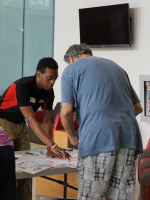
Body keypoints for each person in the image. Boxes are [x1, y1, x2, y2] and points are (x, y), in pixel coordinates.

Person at [60, 44, 143, 200]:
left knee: (91, 195)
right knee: (120, 195)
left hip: (97, 138)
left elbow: (65, 112)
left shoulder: (71, 69)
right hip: (128, 137)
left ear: (71, 59)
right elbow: (138, 107)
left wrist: (72, 136)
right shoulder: (117, 68)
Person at [0, 57, 70, 200]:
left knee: (26, 169)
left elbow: (46, 121)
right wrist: (53, 145)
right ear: (38, 74)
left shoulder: (49, 92)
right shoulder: (22, 86)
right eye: (49, 78)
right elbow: (32, 120)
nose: (52, 82)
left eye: (55, 79)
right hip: (2, 123)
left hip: (21, 125)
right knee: (6, 169)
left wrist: (49, 147)